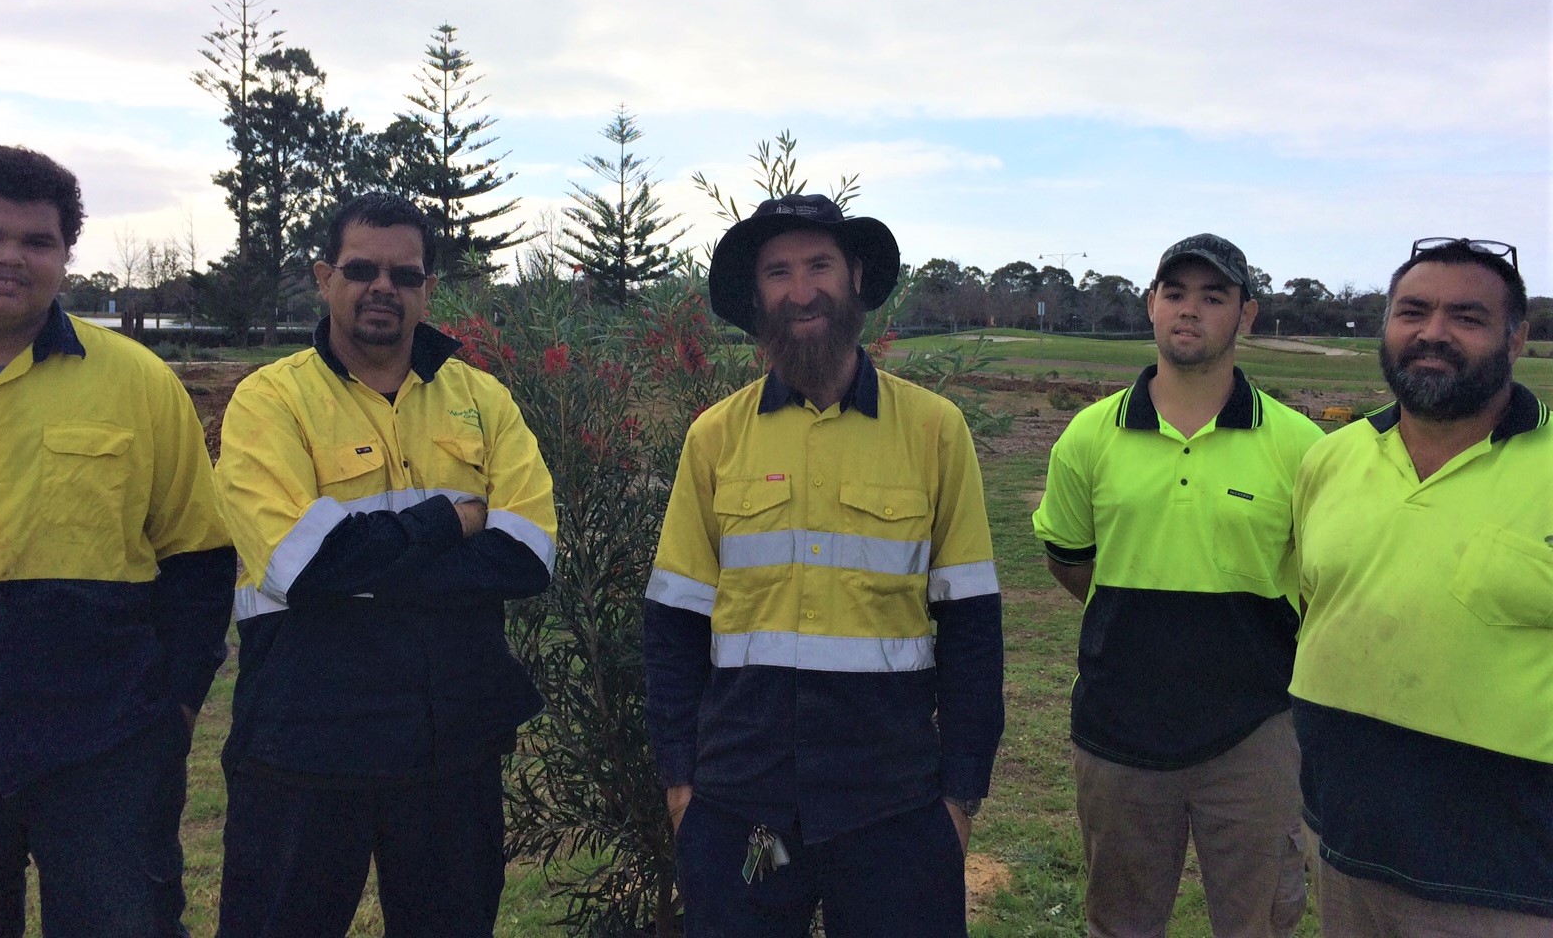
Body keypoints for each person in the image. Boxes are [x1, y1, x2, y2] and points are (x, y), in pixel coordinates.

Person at [644, 193, 1004, 938]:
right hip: (741, 805)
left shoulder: (936, 433)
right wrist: (683, 785)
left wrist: (958, 800)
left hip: (894, 805)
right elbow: (673, 624)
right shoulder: (714, 439)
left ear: (855, 278)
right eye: (779, 272)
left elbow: (972, 628)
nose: (801, 290)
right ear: (758, 296)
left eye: (818, 266)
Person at [214, 192, 558, 938]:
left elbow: (527, 555)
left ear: (427, 288)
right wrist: (450, 521)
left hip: (451, 741)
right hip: (306, 737)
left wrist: (360, 569)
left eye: (404, 275)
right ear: (323, 277)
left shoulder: (483, 399)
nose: (383, 288)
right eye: (361, 269)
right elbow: (299, 567)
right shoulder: (270, 403)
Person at [0, 144, 235, 938]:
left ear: (65, 256)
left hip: (106, 748)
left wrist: (176, 711)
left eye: (37, 242)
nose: (9, 258)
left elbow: (199, 558)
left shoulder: (137, 383)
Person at [1033, 233, 1323, 938]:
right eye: (1175, 293)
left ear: (1246, 316)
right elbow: (1071, 561)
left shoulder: (1302, 445)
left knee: (1257, 924)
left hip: (1256, 733)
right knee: (1120, 923)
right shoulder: (1089, 436)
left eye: (1214, 297)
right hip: (1119, 731)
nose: (1190, 311)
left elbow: (1318, 585)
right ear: (1151, 305)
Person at [1291, 237, 1551, 934]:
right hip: (1346, 849)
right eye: (1413, 311)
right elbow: (1315, 607)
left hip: (1513, 881)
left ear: (1516, 337)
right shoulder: (1329, 461)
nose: (1432, 333)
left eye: (1466, 317)